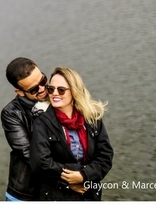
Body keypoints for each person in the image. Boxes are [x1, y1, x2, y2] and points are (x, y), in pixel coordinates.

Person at [30, 67, 113, 201]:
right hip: (56, 196)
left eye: (61, 90)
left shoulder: (92, 118)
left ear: (74, 91)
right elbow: (41, 163)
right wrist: (73, 179)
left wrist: (84, 175)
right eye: (51, 89)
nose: (54, 93)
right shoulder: (42, 123)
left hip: (89, 194)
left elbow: (105, 156)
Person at [1, 57, 50, 201]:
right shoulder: (11, 113)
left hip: (57, 191)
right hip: (26, 194)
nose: (42, 89)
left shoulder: (58, 95)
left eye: (43, 80)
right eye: (34, 89)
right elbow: (29, 154)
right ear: (20, 91)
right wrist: (70, 178)